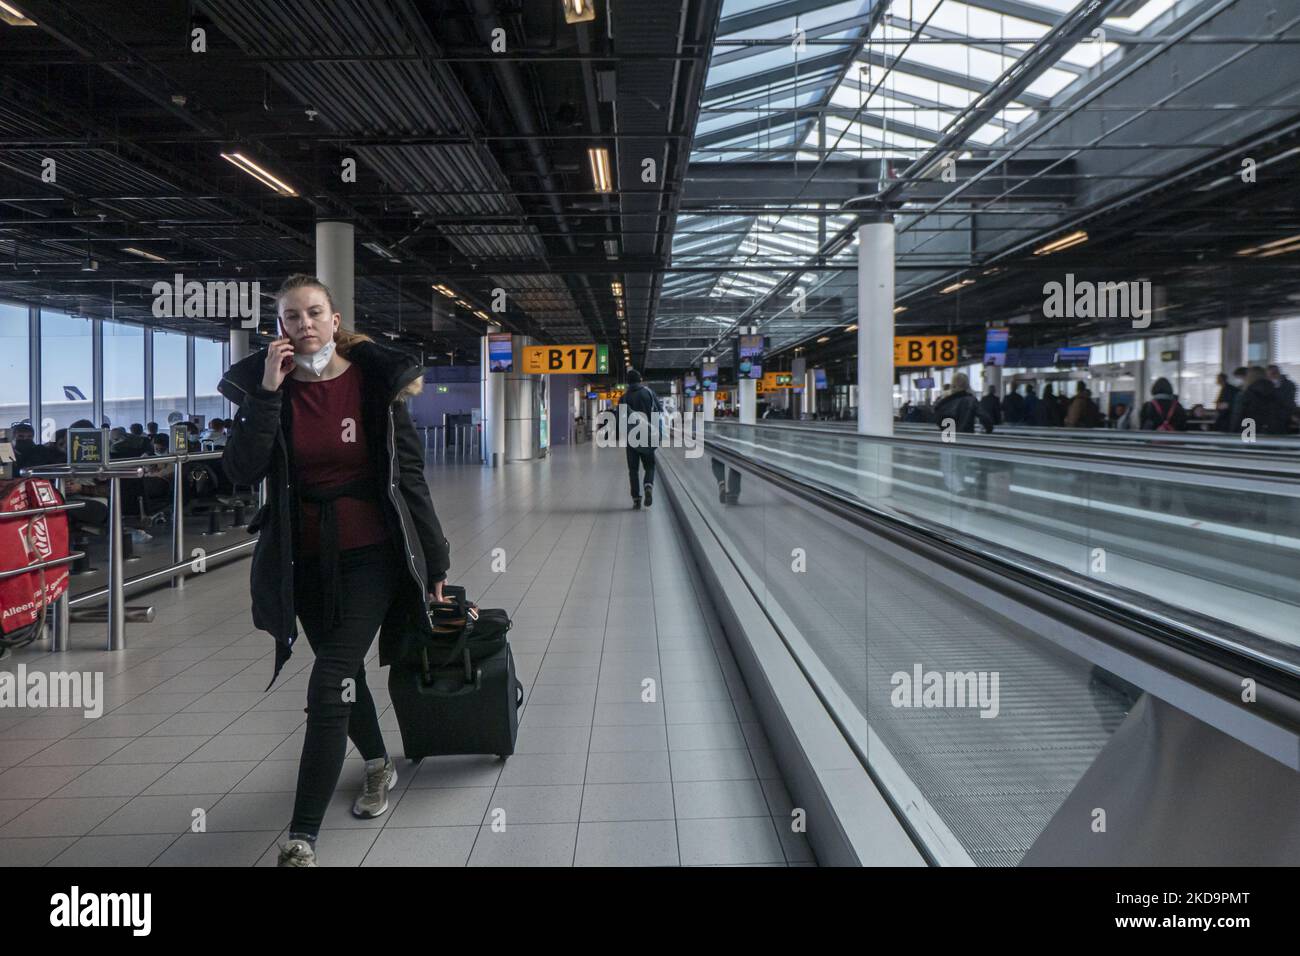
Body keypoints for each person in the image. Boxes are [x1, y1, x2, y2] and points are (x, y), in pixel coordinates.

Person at [217, 273, 451, 868]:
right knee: (343, 674)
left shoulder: (375, 384)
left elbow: (410, 477)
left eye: (314, 312)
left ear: (335, 318)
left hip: (372, 553)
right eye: (292, 317)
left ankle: (302, 838)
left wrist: (436, 560)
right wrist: (267, 393)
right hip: (305, 561)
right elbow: (241, 471)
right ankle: (376, 764)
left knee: (327, 683)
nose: (305, 325)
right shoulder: (270, 389)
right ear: (280, 330)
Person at [618, 368, 661, 509]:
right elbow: (658, 411)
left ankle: (636, 498)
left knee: (633, 469)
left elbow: (620, 420)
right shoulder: (649, 393)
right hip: (648, 436)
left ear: (628, 383)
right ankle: (648, 485)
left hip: (632, 439)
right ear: (640, 380)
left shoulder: (624, 398)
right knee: (649, 465)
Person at [1235, 366, 1287, 435]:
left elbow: (1239, 415)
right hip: (1272, 431)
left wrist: (1233, 431)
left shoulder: (1246, 394)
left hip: (1249, 431)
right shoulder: (1275, 392)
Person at [1267, 365, 1297, 429]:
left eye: (1274, 373)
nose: (1272, 377)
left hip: (1286, 417)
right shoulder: (1267, 385)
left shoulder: (1289, 385)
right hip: (1272, 418)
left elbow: (1288, 402)